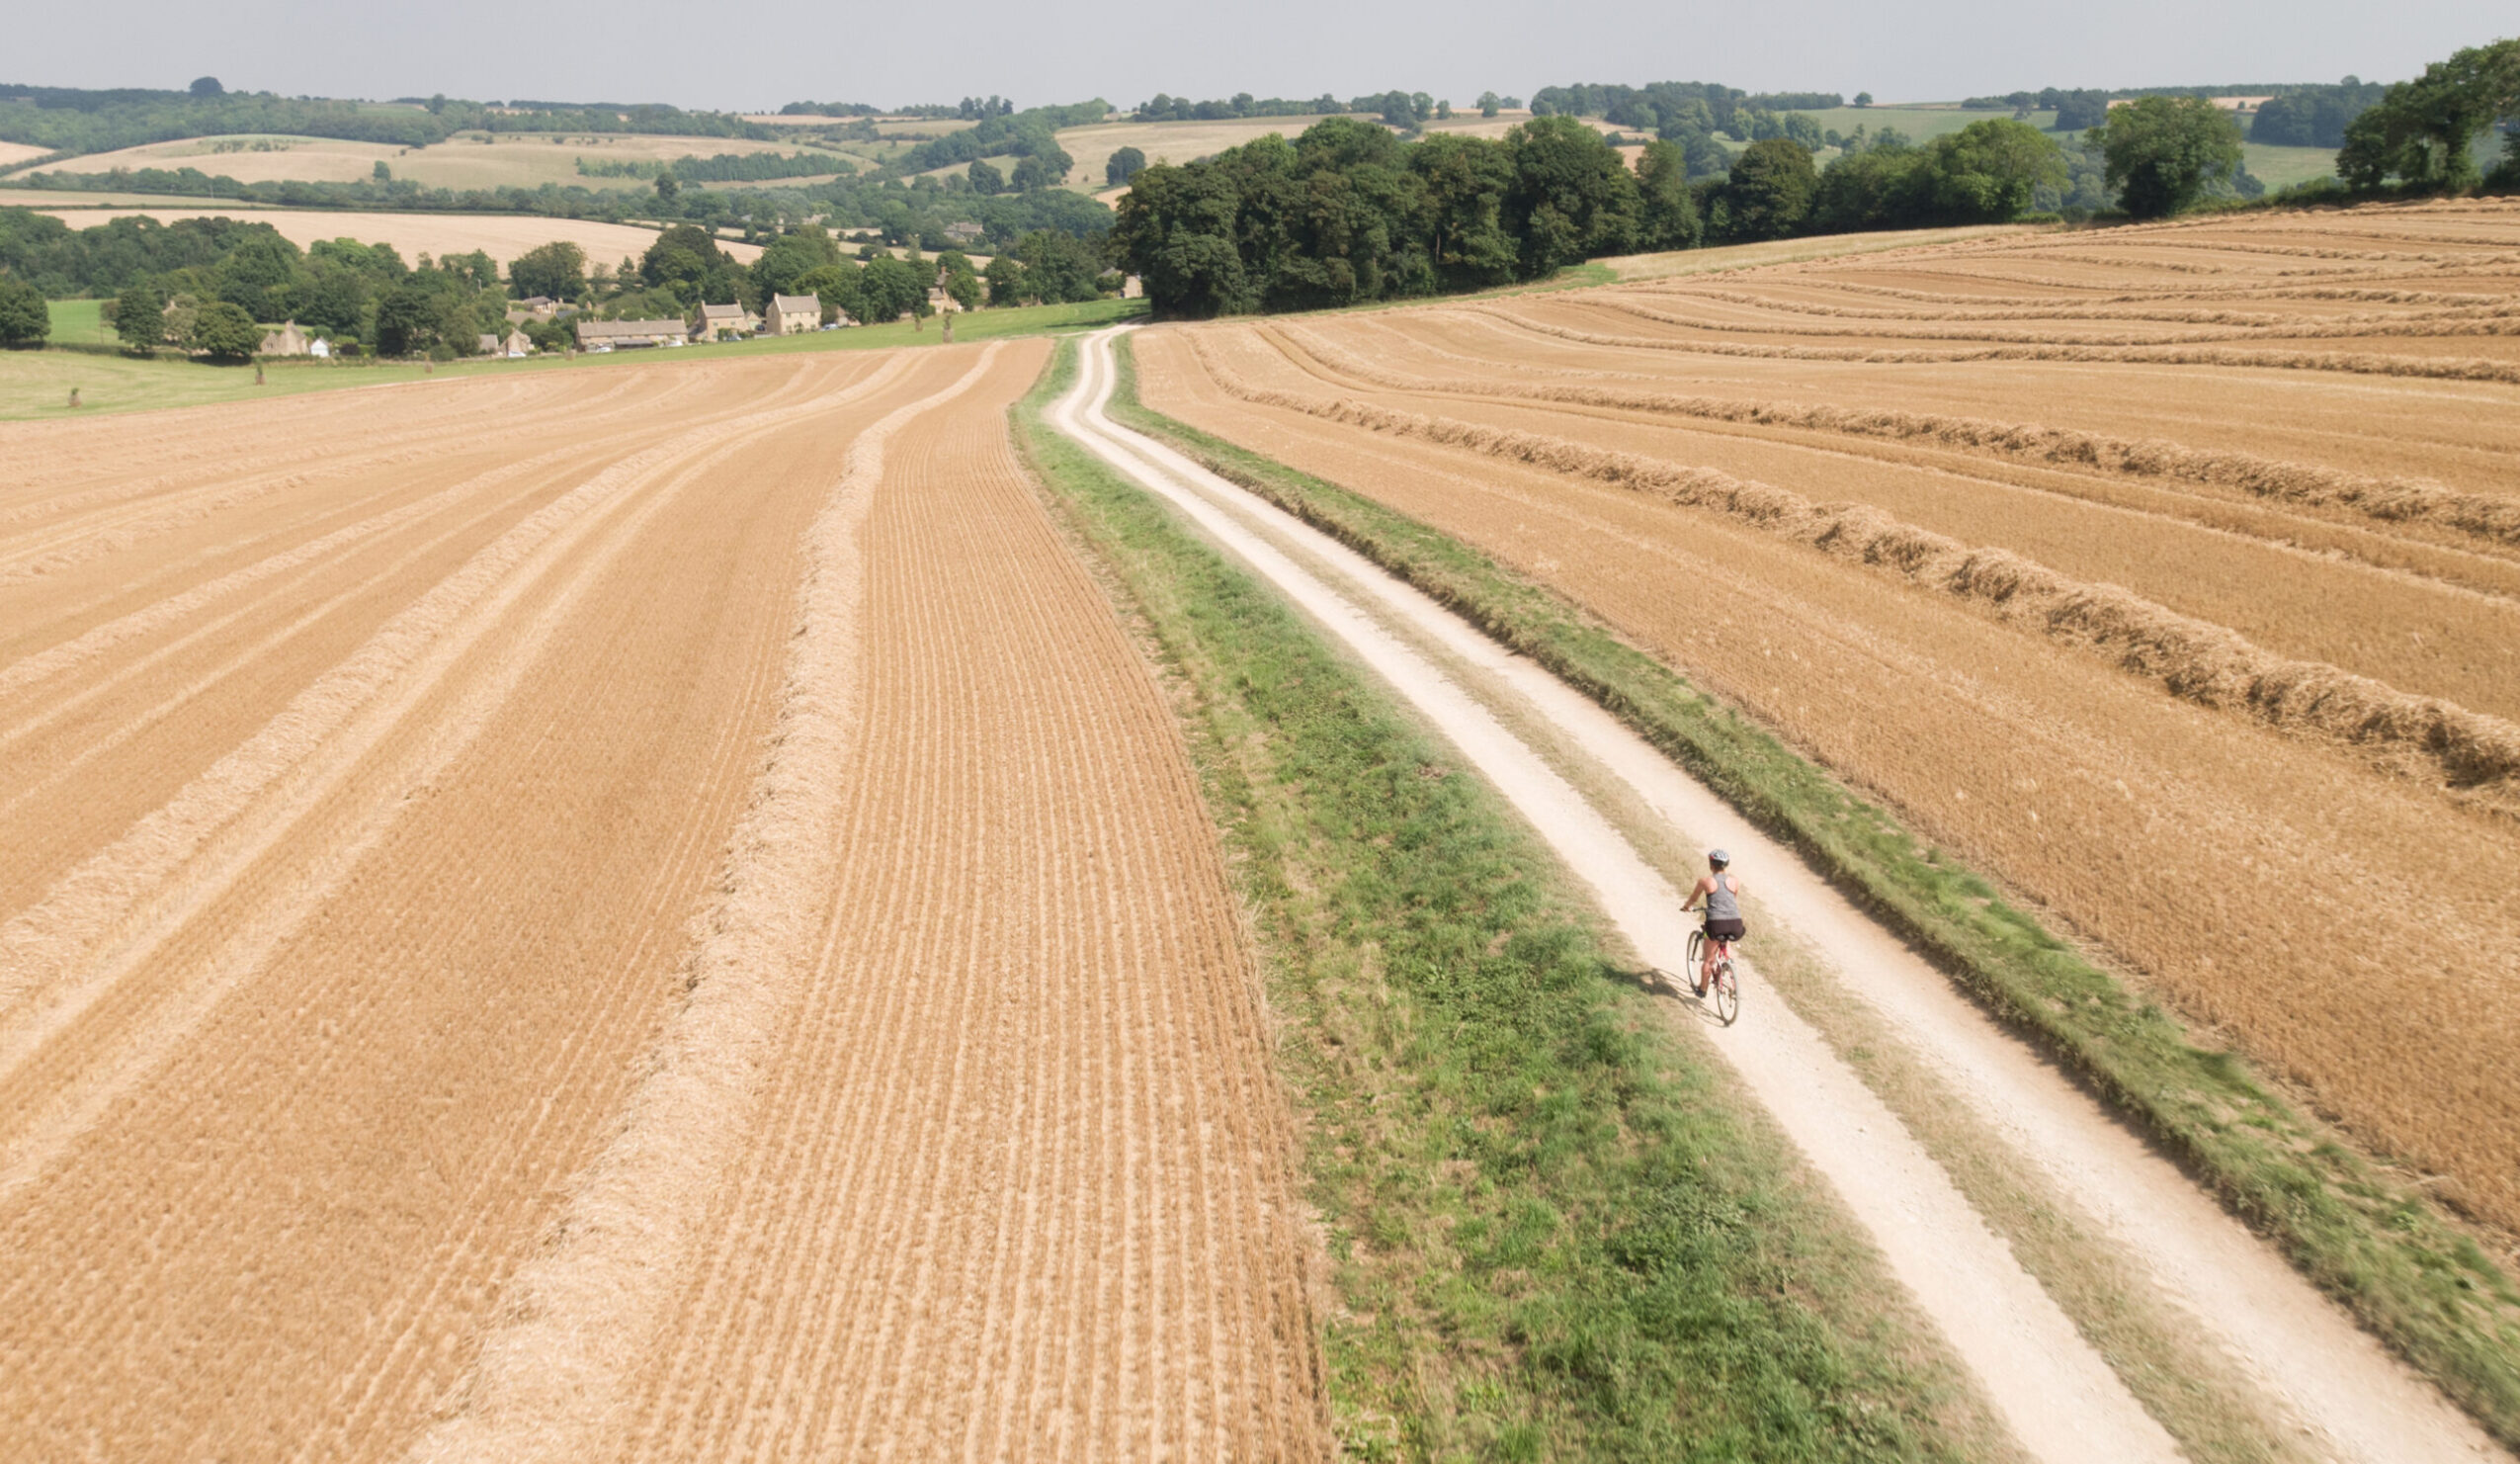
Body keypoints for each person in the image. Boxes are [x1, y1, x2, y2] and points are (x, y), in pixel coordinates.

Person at [1683, 849, 1745, 995]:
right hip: (1736, 923)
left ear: (1711, 865)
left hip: (1716, 924)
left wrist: (1686, 907)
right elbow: (1732, 899)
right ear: (1726, 865)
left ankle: (1702, 990)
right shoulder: (1735, 880)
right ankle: (1728, 964)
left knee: (1708, 960)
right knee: (1726, 937)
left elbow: (1693, 899)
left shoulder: (1705, 881)